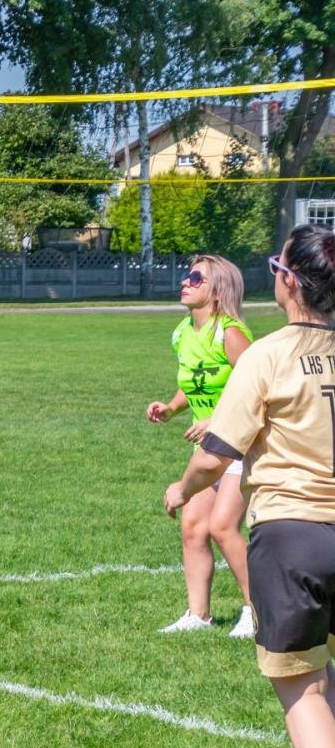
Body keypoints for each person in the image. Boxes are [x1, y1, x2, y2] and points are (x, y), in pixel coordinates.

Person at [164, 227, 335, 748]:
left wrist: (182, 490)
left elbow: (216, 454)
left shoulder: (267, 353)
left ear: (289, 281)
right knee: (323, 667)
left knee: (301, 687)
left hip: (294, 535)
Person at [147, 254, 255, 636]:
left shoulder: (231, 333)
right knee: (193, 526)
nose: (186, 282)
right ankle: (198, 616)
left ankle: (255, 612)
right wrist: (172, 407)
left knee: (223, 526)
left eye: (196, 277)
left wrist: (216, 420)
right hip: (210, 447)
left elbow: (255, 389)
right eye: (187, 276)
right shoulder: (182, 332)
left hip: (242, 445)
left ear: (217, 290)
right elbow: (193, 380)